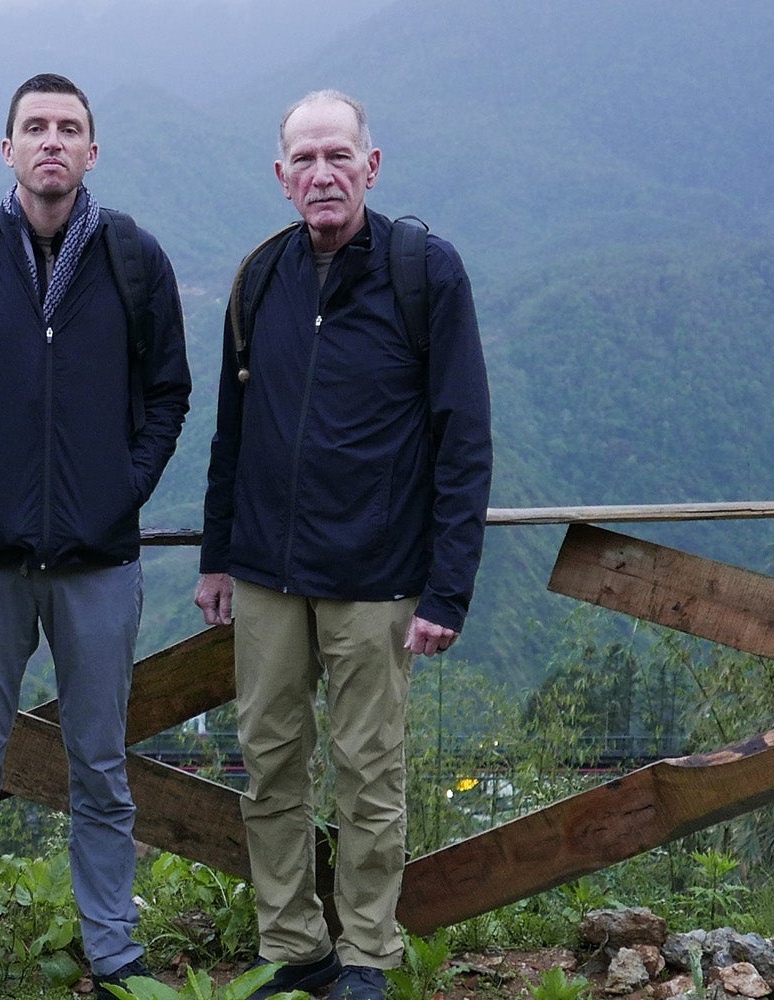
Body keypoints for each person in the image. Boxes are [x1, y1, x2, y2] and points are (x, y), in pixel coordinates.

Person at [0, 73, 191, 1000]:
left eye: (68, 127)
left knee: (100, 768)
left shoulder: (134, 258)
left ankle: (114, 953)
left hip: (99, 562)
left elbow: (168, 393)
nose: (51, 140)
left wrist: (122, 490)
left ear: (91, 152)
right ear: (9, 148)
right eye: (35, 127)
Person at [194, 90, 492, 1000]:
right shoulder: (259, 278)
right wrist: (216, 554)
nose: (322, 174)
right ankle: (295, 945)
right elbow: (232, 429)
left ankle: (367, 953)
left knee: (368, 771)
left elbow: (463, 435)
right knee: (268, 762)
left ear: (372, 164)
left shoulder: (423, 272)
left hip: (377, 572)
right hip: (267, 570)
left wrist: (448, 588)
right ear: (281, 176)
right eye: (305, 160)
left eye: (338, 156)